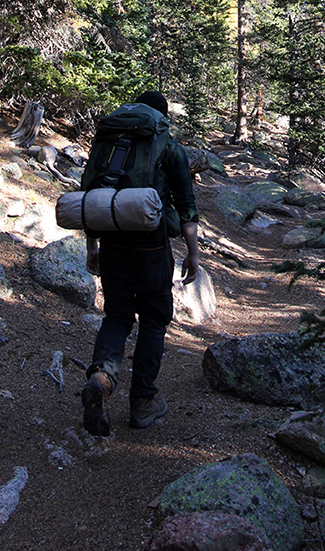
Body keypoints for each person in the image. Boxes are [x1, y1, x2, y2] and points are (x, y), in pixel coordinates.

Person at [81, 90, 199, 435]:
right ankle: (143, 401)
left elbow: (90, 194)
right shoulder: (170, 148)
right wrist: (192, 253)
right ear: (162, 118)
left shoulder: (109, 143)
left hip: (111, 241)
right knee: (152, 321)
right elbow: (188, 209)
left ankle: (102, 379)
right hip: (151, 249)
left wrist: (93, 247)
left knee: (117, 317)